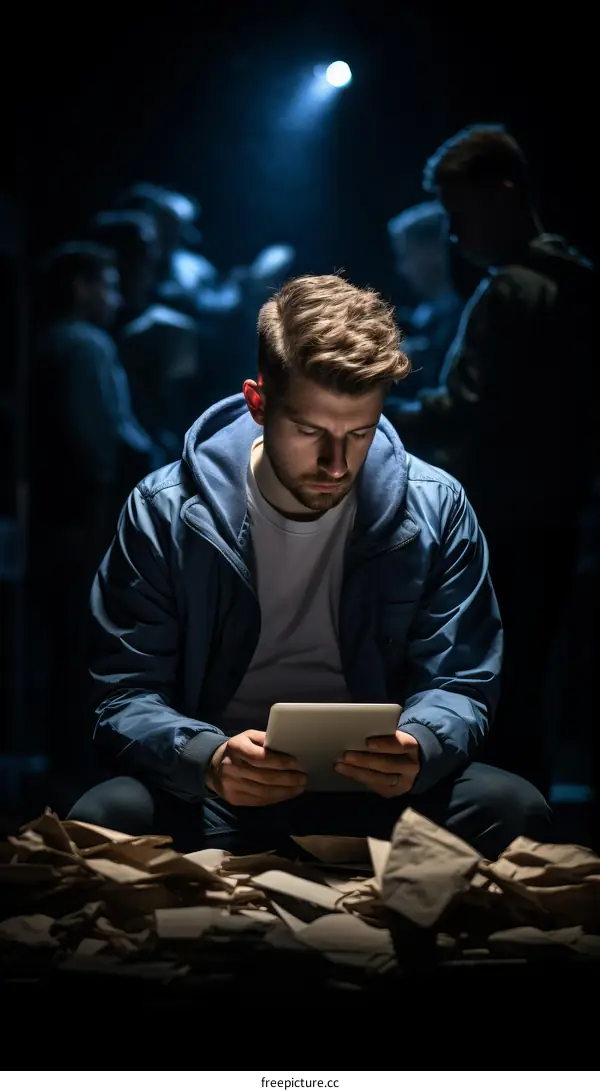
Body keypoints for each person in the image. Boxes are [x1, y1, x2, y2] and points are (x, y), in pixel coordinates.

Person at [66, 274, 550, 858]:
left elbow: (462, 680)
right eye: (309, 431)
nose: (336, 464)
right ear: (258, 401)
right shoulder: (164, 510)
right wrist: (207, 757)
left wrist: (420, 745)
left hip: (381, 794)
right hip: (220, 793)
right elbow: (120, 691)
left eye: (360, 433)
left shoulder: (436, 506)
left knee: (514, 810)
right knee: (102, 819)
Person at [386, 125, 596, 791]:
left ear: (503, 192)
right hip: (561, 516)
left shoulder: (509, 291)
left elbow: (468, 410)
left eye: (460, 212)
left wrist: (380, 414)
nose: (453, 234)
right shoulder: (579, 282)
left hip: (501, 522)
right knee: (535, 680)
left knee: (489, 688)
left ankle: (492, 851)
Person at [30, 243, 162, 786]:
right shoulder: (84, 343)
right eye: (106, 284)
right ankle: (82, 782)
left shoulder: (50, 342)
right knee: (86, 653)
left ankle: (65, 777)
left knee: (64, 653)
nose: (116, 296)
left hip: (59, 521)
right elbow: (102, 440)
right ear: (81, 286)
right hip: (85, 524)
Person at [386, 201, 463, 397]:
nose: (402, 269)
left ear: (433, 250)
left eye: (406, 255)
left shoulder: (460, 316)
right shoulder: (422, 315)